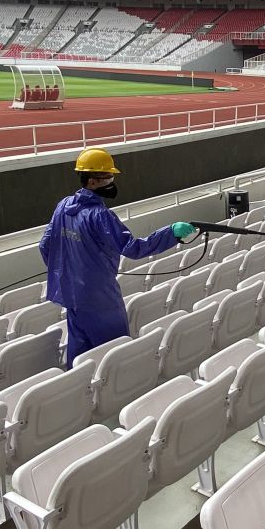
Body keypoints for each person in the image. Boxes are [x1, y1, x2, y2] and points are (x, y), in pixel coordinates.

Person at [40, 147, 197, 366]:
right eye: (107, 177)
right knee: (117, 356)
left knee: (80, 360)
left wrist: (68, 274)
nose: (111, 181)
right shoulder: (100, 215)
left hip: (73, 297)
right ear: (92, 181)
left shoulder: (63, 206)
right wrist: (170, 233)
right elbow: (132, 248)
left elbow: (45, 245)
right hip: (101, 299)